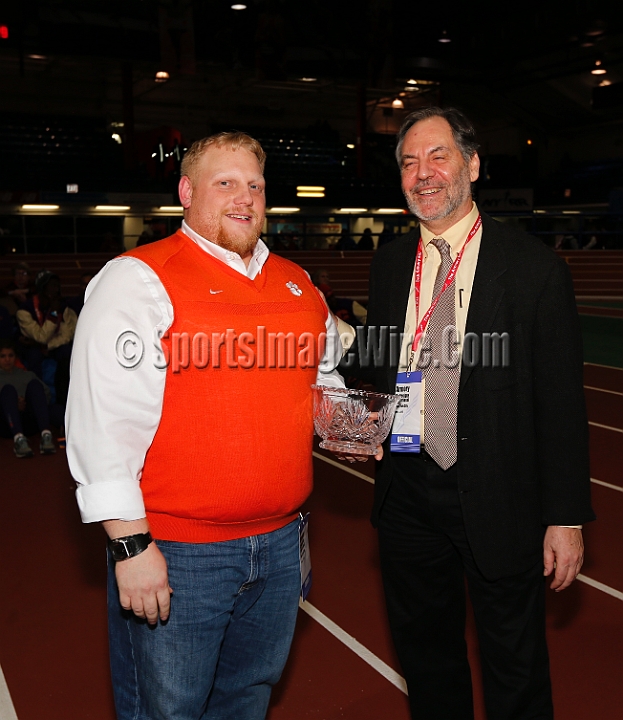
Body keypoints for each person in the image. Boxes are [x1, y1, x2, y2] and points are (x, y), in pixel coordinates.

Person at [66, 131, 346, 720]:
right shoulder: (137, 278)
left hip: (279, 547)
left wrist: (349, 420)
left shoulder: (298, 283)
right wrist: (130, 544)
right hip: (181, 554)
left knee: (247, 702)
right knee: (166, 712)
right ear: (187, 192)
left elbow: (324, 378)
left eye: (255, 186)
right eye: (225, 183)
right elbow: (102, 421)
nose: (243, 197)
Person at [346, 107, 593, 719]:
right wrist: (353, 416)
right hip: (405, 487)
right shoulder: (389, 263)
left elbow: (561, 401)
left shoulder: (535, 270)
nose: (422, 174)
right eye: (409, 162)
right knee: (428, 661)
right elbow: (375, 362)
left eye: (438, 157)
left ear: (473, 165)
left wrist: (564, 517)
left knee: (515, 667)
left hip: (500, 492)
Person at [0, 338, 57, 457]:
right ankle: (19, 440)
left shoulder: (27, 375)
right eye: (3, 356)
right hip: (6, 423)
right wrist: (12, 405)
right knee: (8, 390)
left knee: (35, 385)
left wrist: (27, 402)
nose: (7, 360)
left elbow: (46, 394)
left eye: (10, 355)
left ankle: (46, 435)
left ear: (15, 357)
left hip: (29, 421)